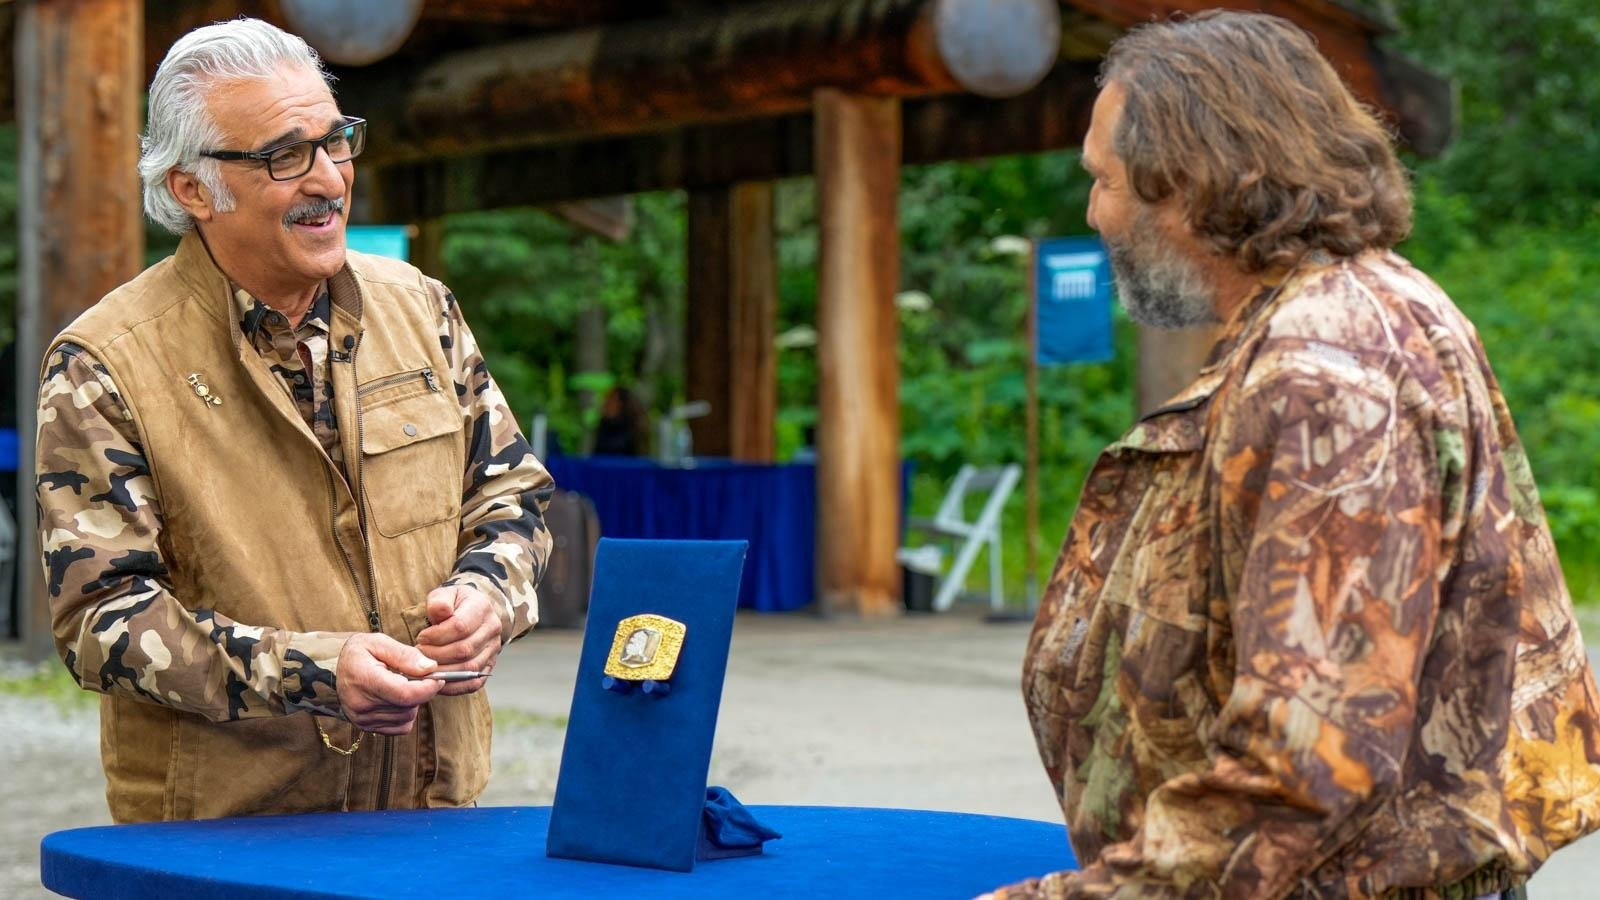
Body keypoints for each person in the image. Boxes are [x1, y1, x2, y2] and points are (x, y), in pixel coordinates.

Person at [993, 12, 1600, 898]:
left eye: (1106, 182)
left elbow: (1309, 764)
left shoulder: (1327, 370)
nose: (1095, 214)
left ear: (1191, 183)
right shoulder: (1352, 309)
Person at [34, 19, 553, 822]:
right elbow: (102, 621)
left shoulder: (421, 308)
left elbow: (513, 498)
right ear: (192, 188)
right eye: (284, 155)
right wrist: (315, 671)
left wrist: (491, 597)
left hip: (433, 814)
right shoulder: (104, 362)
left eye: (335, 141)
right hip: (229, 837)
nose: (327, 179)